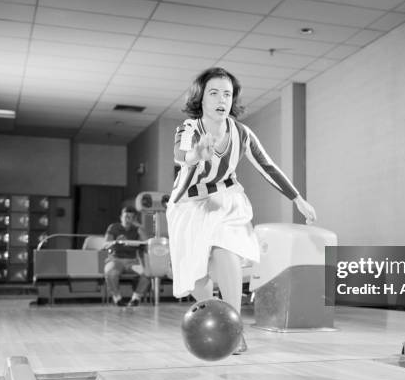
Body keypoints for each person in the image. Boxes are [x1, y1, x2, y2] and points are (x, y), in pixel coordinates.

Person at [167, 67, 316, 354]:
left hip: (226, 199)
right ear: (201, 98)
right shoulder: (188, 129)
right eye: (214, 93)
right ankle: (211, 324)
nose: (221, 99)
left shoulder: (241, 133)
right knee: (197, 270)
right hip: (189, 203)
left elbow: (268, 166)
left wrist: (297, 198)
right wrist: (197, 154)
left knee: (227, 249)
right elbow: (181, 155)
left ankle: (234, 330)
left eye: (227, 93)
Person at [104, 205, 150, 307]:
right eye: (126, 216)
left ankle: (136, 298)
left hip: (132, 260)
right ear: (121, 217)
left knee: (147, 273)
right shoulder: (113, 227)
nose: (128, 219)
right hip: (115, 260)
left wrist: (138, 225)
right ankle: (117, 298)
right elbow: (106, 244)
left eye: (131, 217)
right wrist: (116, 241)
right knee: (111, 273)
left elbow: (146, 243)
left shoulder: (137, 229)